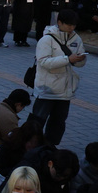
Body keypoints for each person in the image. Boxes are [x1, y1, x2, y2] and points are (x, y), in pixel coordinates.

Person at [31, 8, 88, 145]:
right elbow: (44, 62)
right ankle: (29, 145)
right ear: (59, 22)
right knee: (37, 121)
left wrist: (80, 60)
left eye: (74, 25)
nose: (71, 28)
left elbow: (80, 62)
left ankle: (50, 147)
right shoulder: (46, 39)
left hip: (65, 91)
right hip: (47, 89)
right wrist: (68, 59)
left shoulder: (76, 38)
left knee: (58, 123)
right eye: (68, 25)